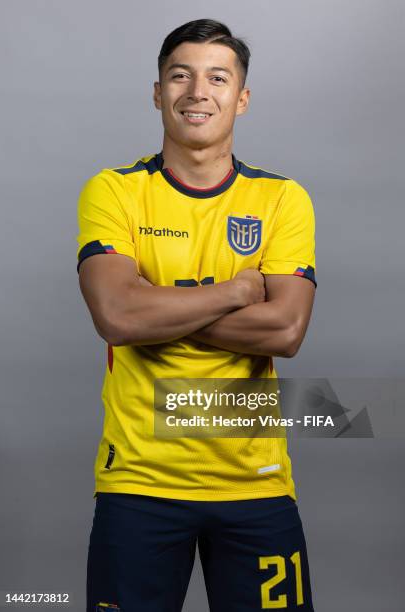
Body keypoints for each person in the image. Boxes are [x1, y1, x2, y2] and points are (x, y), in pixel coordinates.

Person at [76, 18, 317, 612]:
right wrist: (236, 292)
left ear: (242, 97)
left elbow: (285, 331)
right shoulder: (114, 191)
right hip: (139, 481)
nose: (197, 91)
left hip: (254, 479)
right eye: (179, 76)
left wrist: (158, 304)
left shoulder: (281, 198)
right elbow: (115, 316)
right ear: (158, 92)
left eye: (217, 77)